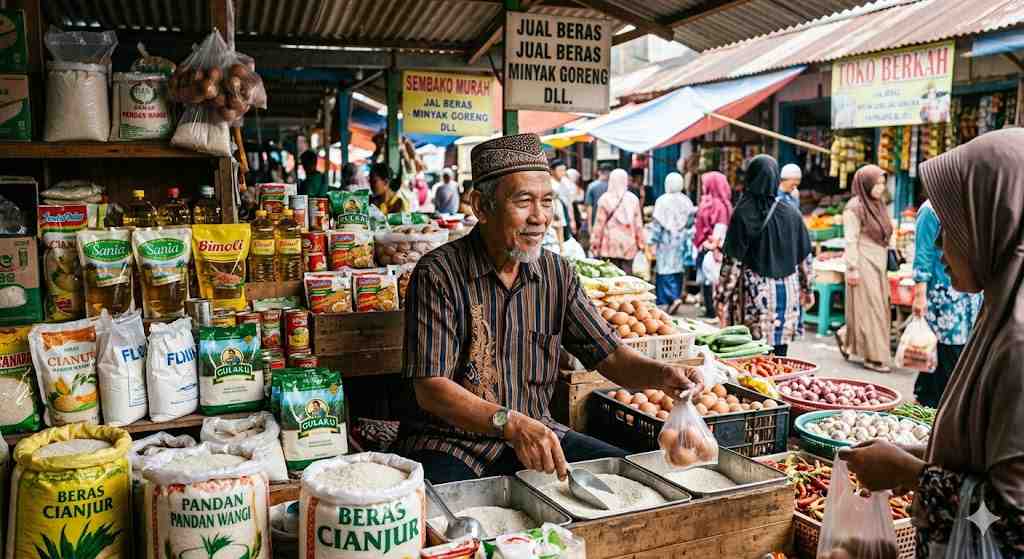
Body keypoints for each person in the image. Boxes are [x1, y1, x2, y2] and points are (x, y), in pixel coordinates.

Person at [394, 133, 702, 483]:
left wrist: (662, 375)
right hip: (449, 442)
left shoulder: (557, 273)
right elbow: (431, 388)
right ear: (481, 207)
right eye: (523, 201)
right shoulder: (439, 273)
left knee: (632, 481)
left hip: (538, 435)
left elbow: (610, 355)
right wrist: (510, 423)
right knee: (446, 519)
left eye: (547, 201)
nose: (539, 217)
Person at [839, 129, 1023, 558]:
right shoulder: (1000, 309)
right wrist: (927, 453)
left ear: (993, 222)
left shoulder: (1018, 343)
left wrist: (912, 474)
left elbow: (1014, 520)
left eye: (952, 227)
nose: (939, 245)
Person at [716, 155, 814, 357]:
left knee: (752, 356)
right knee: (779, 355)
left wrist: (721, 298)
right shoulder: (791, 213)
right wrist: (808, 288)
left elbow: (733, 262)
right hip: (787, 293)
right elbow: (805, 256)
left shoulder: (743, 212)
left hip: (755, 296)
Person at [910, 200, 982, 407]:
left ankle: (928, 398)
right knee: (946, 349)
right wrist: (919, 293)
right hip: (943, 294)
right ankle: (939, 402)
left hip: (969, 294)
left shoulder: (967, 205)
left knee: (953, 349)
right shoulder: (930, 210)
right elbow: (923, 253)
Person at [835, 165, 893, 372]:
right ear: (865, 184)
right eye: (876, 184)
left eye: (882, 184)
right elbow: (851, 240)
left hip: (879, 262)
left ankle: (846, 336)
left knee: (879, 307)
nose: (880, 188)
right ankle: (873, 357)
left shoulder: (879, 204)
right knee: (872, 309)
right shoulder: (854, 207)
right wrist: (852, 268)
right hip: (863, 262)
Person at [647, 172, 694, 313]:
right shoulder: (686, 201)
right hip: (680, 242)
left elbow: (657, 225)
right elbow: (690, 223)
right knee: (678, 270)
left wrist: (651, 241)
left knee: (664, 270)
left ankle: (669, 299)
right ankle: (676, 295)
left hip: (665, 242)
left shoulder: (662, 201)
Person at [590, 169, 645, 275]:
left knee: (610, 278)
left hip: (609, 245)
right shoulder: (633, 199)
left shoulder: (604, 199)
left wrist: (594, 244)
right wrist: (641, 244)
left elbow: (599, 225)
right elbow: (638, 224)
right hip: (628, 246)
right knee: (626, 278)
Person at [694, 172, 733, 319]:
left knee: (710, 279)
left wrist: (713, 245)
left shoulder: (713, 204)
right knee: (711, 279)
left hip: (710, 246)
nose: (703, 186)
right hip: (711, 245)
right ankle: (712, 309)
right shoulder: (724, 204)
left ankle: (712, 310)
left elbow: (719, 228)